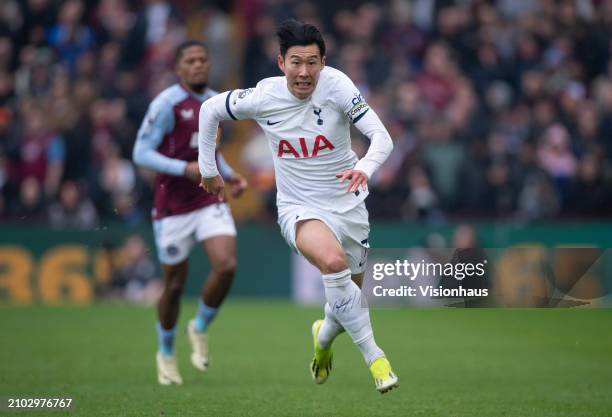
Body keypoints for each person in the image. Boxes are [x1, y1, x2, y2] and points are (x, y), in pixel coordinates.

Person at [198, 20, 398, 393]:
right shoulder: (263, 97)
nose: (303, 72)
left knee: (346, 300)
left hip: (349, 205)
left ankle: (322, 338)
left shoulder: (338, 87)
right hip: (298, 207)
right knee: (334, 264)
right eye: (295, 62)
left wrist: (364, 167)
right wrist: (209, 170)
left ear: (323, 63)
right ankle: (377, 360)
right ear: (280, 63)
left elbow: (381, 138)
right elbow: (210, 109)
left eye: (311, 62)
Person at [133, 40, 247, 386]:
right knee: (174, 285)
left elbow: (208, 149)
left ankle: (198, 326)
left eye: (203, 59)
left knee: (226, 265)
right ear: (179, 68)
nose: (198, 65)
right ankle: (166, 351)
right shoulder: (167, 104)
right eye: (190, 60)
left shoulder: (215, 104)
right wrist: (182, 169)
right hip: (171, 206)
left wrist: (229, 174)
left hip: (207, 198)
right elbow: (140, 152)